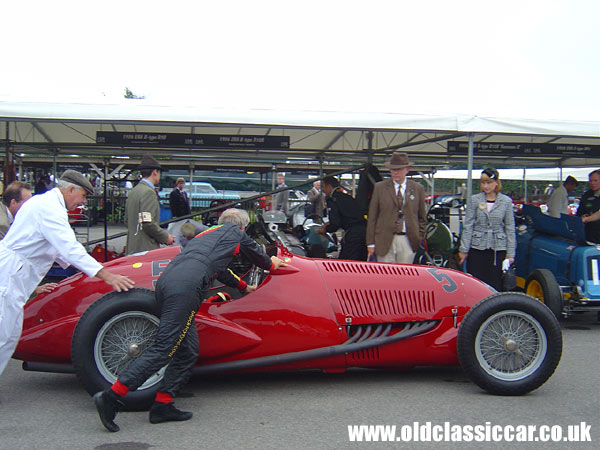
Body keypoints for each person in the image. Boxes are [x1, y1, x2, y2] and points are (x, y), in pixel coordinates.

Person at [93, 208, 287, 432]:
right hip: (186, 288)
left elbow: (220, 270)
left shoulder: (205, 236)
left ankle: (162, 405)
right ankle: (111, 396)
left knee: (188, 351)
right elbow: (257, 255)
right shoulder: (234, 231)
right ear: (241, 226)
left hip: (170, 282)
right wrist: (272, 263)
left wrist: (244, 287)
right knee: (164, 347)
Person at [0, 170, 135, 375]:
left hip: (16, 274)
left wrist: (93, 267)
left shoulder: (46, 204)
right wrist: (107, 276)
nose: (82, 202)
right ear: (71, 189)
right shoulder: (49, 208)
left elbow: (59, 251)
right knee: (3, 334)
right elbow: (69, 248)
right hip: (10, 274)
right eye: (83, 196)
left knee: (9, 337)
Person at [458, 168, 516, 291]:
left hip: (498, 248)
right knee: (476, 282)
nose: (486, 186)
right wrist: (463, 249)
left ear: (496, 183)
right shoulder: (475, 200)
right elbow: (468, 225)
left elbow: (510, 228)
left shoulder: (506, 202)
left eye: (489, 183)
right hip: (477, 246)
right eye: (483, 183)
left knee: (495, 282)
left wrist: (510, 254)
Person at [365, 152, 426, 263]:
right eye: (393, 169)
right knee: (385, 276)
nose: (395, 173)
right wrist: (371, 243)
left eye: (399, 169)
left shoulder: (418, 188)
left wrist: (418, 236)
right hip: (384, 240)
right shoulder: (380, 188)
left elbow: (422, 217)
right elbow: (372, 217)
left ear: (407, 169)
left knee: (405, 276)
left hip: (408, 240)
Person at [126, 154, 175, 254]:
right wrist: (165, 237)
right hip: (145, 248)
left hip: (132, 246)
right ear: (155, 172)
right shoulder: (148, 192)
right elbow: (148, 223)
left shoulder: (134, 191)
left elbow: (127, 219)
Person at [317, 176, 367, 261]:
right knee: (361, 260)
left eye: (323, 187)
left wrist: (325, 229)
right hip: (364, 231)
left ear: (328, 186)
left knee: (347, 262)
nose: (323, 190)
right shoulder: (347, 197)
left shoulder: (333, 199)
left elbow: (335, 223)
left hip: (353, 234)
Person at [577, 169, 600, 243]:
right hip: (589, 234)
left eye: (595, 180)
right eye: (590, 181)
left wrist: (587, 219)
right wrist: (582, 217)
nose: (592, 183)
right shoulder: (586, 195)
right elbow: (579, 213)